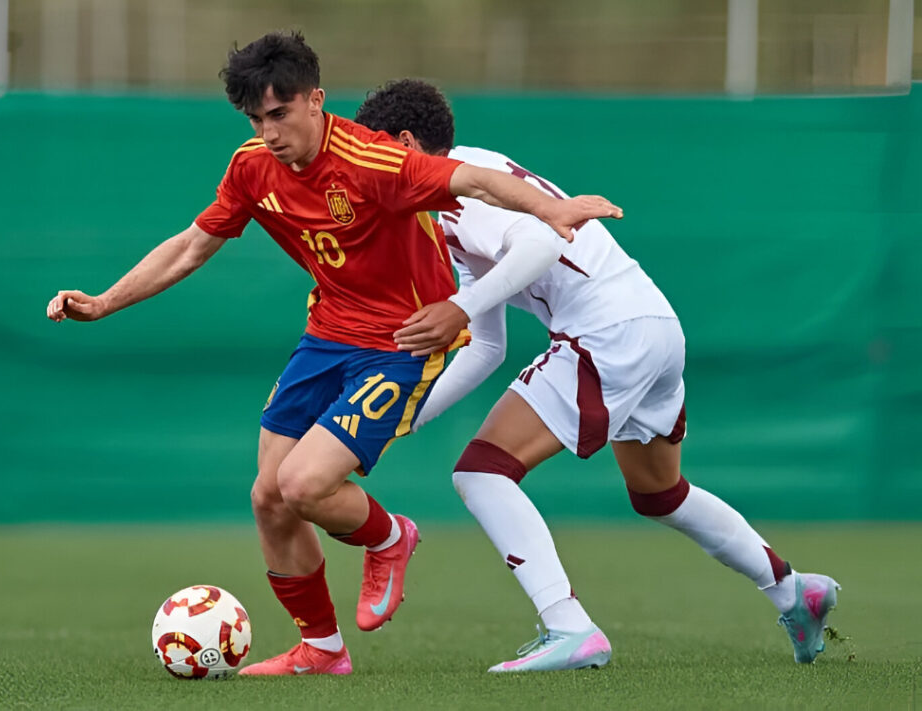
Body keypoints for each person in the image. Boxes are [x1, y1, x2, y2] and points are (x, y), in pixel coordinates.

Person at [46, 34, 623, 676]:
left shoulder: (371, 159)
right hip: (327, 336)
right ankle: (321, 650)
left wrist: (553, 209)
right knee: (268, 496)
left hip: (404, 341)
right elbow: (191, 246)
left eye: (280, 113)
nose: (268, 132)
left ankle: (390, 537)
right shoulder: (250, 167)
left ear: (315, 100)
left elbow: (478, 180)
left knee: (303, 484)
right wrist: (103, 302)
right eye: (255, 119)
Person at [354, 79, 840, 672]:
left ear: (407, 143)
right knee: (660, 494)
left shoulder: (457, 192)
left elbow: (535, 245)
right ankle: (795, 591)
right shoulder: (467, 179)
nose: (367, 168)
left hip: (607, 333)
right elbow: (485, 344)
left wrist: (458, 307)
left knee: (481, 474)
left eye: (375, 151)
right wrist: (404, 419)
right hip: (653, 325)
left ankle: (568, 627)